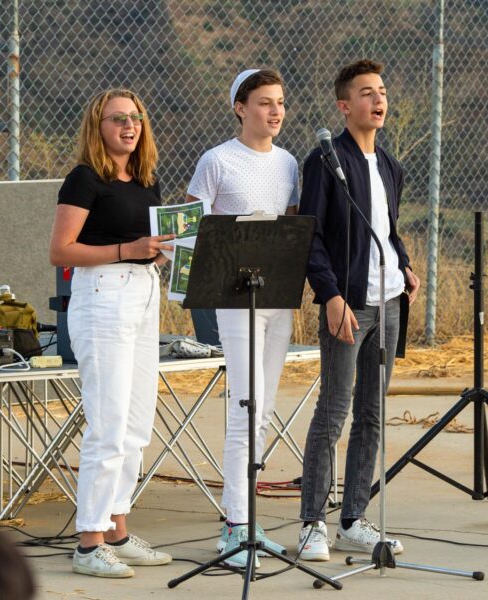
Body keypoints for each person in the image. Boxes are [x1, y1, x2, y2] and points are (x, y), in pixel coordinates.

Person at [296, 59, 420, 561]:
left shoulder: (390, 166)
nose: (378, 99)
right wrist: (330, 296)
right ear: (344, 106)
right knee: (334, 412)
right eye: (367, 92)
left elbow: (385, 233)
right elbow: (313, 237)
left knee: (373, 414)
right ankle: (311, 524)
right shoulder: (325, 161)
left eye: (382, 91)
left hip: (389, 303)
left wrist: (406, 266)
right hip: (350, 304)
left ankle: (353, 517)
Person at [49, 89, 175, 578]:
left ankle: (117, 529)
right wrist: (129, 249)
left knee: (137, 422)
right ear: (97, 126)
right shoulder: (84, 179)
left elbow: (145, 245)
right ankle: (89, 542)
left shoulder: (145, 180)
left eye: (135, 117)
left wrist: (163, 251)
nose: (129, 125)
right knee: (108, 421)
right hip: (103, 296)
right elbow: (61, 251)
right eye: (117, 118)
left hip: (144, 293)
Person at [185, 68, 299, 569]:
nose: (274, 112)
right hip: (235, 301)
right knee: (245, 407)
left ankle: (248, 519)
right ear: (240, 107)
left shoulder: (290, 162)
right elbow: (192, 228)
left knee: (267, 407)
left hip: (278, 299)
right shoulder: (217, 161)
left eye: (279, 103)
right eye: (263, 103)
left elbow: (293, 230)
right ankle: (234, 525)